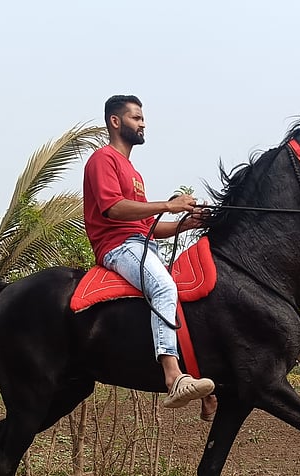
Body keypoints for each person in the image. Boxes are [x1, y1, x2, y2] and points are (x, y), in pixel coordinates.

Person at [83, 94, 217, 416]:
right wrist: (169, 204)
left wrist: (185, 223)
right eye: (136, 118)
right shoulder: (103, 159)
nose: (143, 124)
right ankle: (173, 377)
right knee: (164, 287)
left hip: (142, 244)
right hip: (117, 247)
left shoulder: (134, 173)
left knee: (181, 302)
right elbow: (113, 209)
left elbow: (148, 227)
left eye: (142, 119)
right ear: (115, 121)